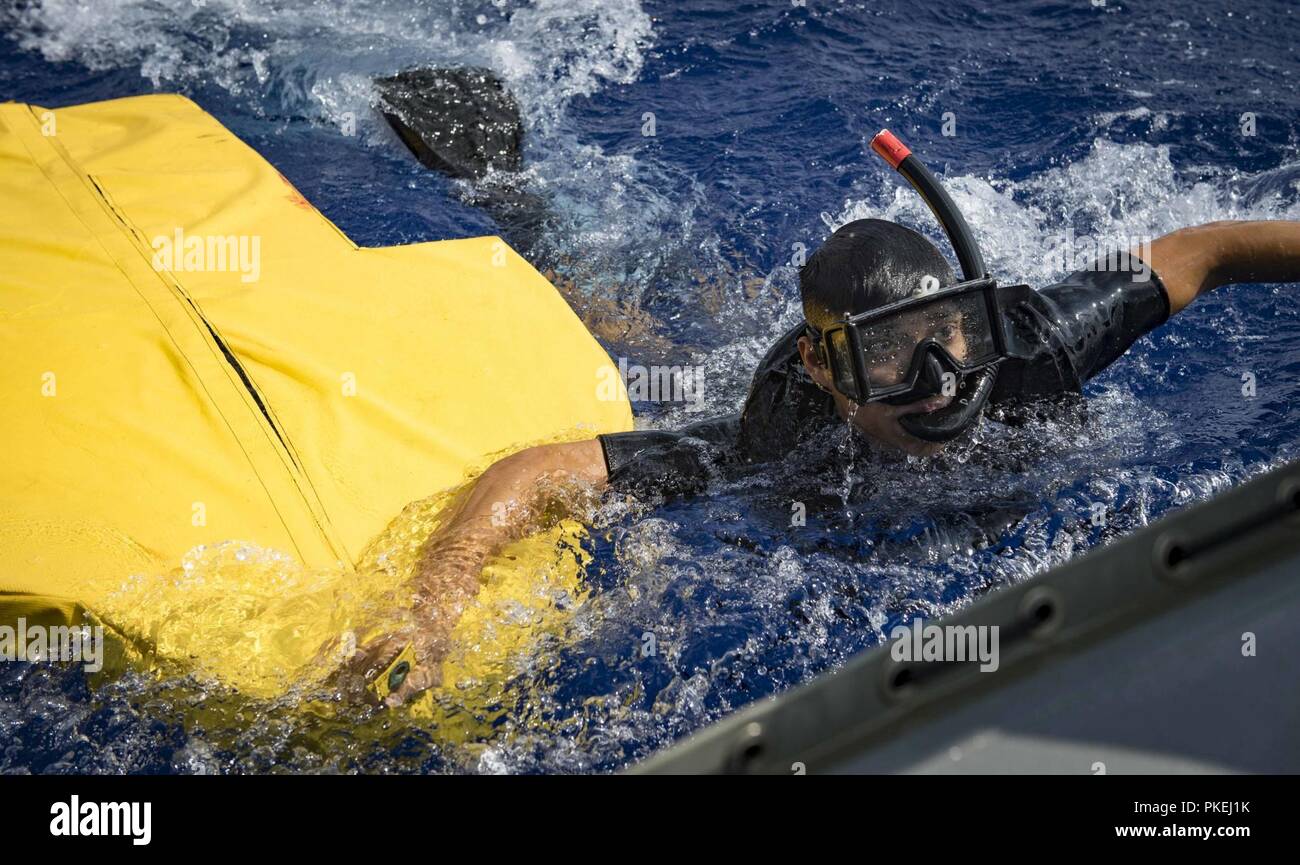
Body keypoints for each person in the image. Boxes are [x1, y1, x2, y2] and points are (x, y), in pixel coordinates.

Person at [357, 132, 1300, 705]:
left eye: (950, 337)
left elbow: (1205, 249)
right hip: (768, 374)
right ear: (828, 368)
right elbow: (533, 471)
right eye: (893, 358)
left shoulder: (1022, 348)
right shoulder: (782, 436)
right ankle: (506, 188)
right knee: (650, 335)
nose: (939, 381)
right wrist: (430, 617)